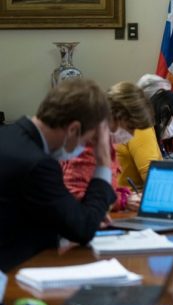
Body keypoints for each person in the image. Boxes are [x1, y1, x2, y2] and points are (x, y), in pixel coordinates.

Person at [0, 79, 117, 272]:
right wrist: (104, 161)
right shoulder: (38, 163)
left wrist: (79, 212)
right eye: (88, 140)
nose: (87, 146)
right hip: (16, 274)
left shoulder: (8, 136)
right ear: (73, 130)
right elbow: (83, 229)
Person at [61, 82, 154, 211]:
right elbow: (75, 195)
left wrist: (122, 194)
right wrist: (122, 201)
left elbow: (98, 186)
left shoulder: (105, 141)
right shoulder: (90, 143)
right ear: (118, 115)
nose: (132, 135)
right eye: (131, 127)